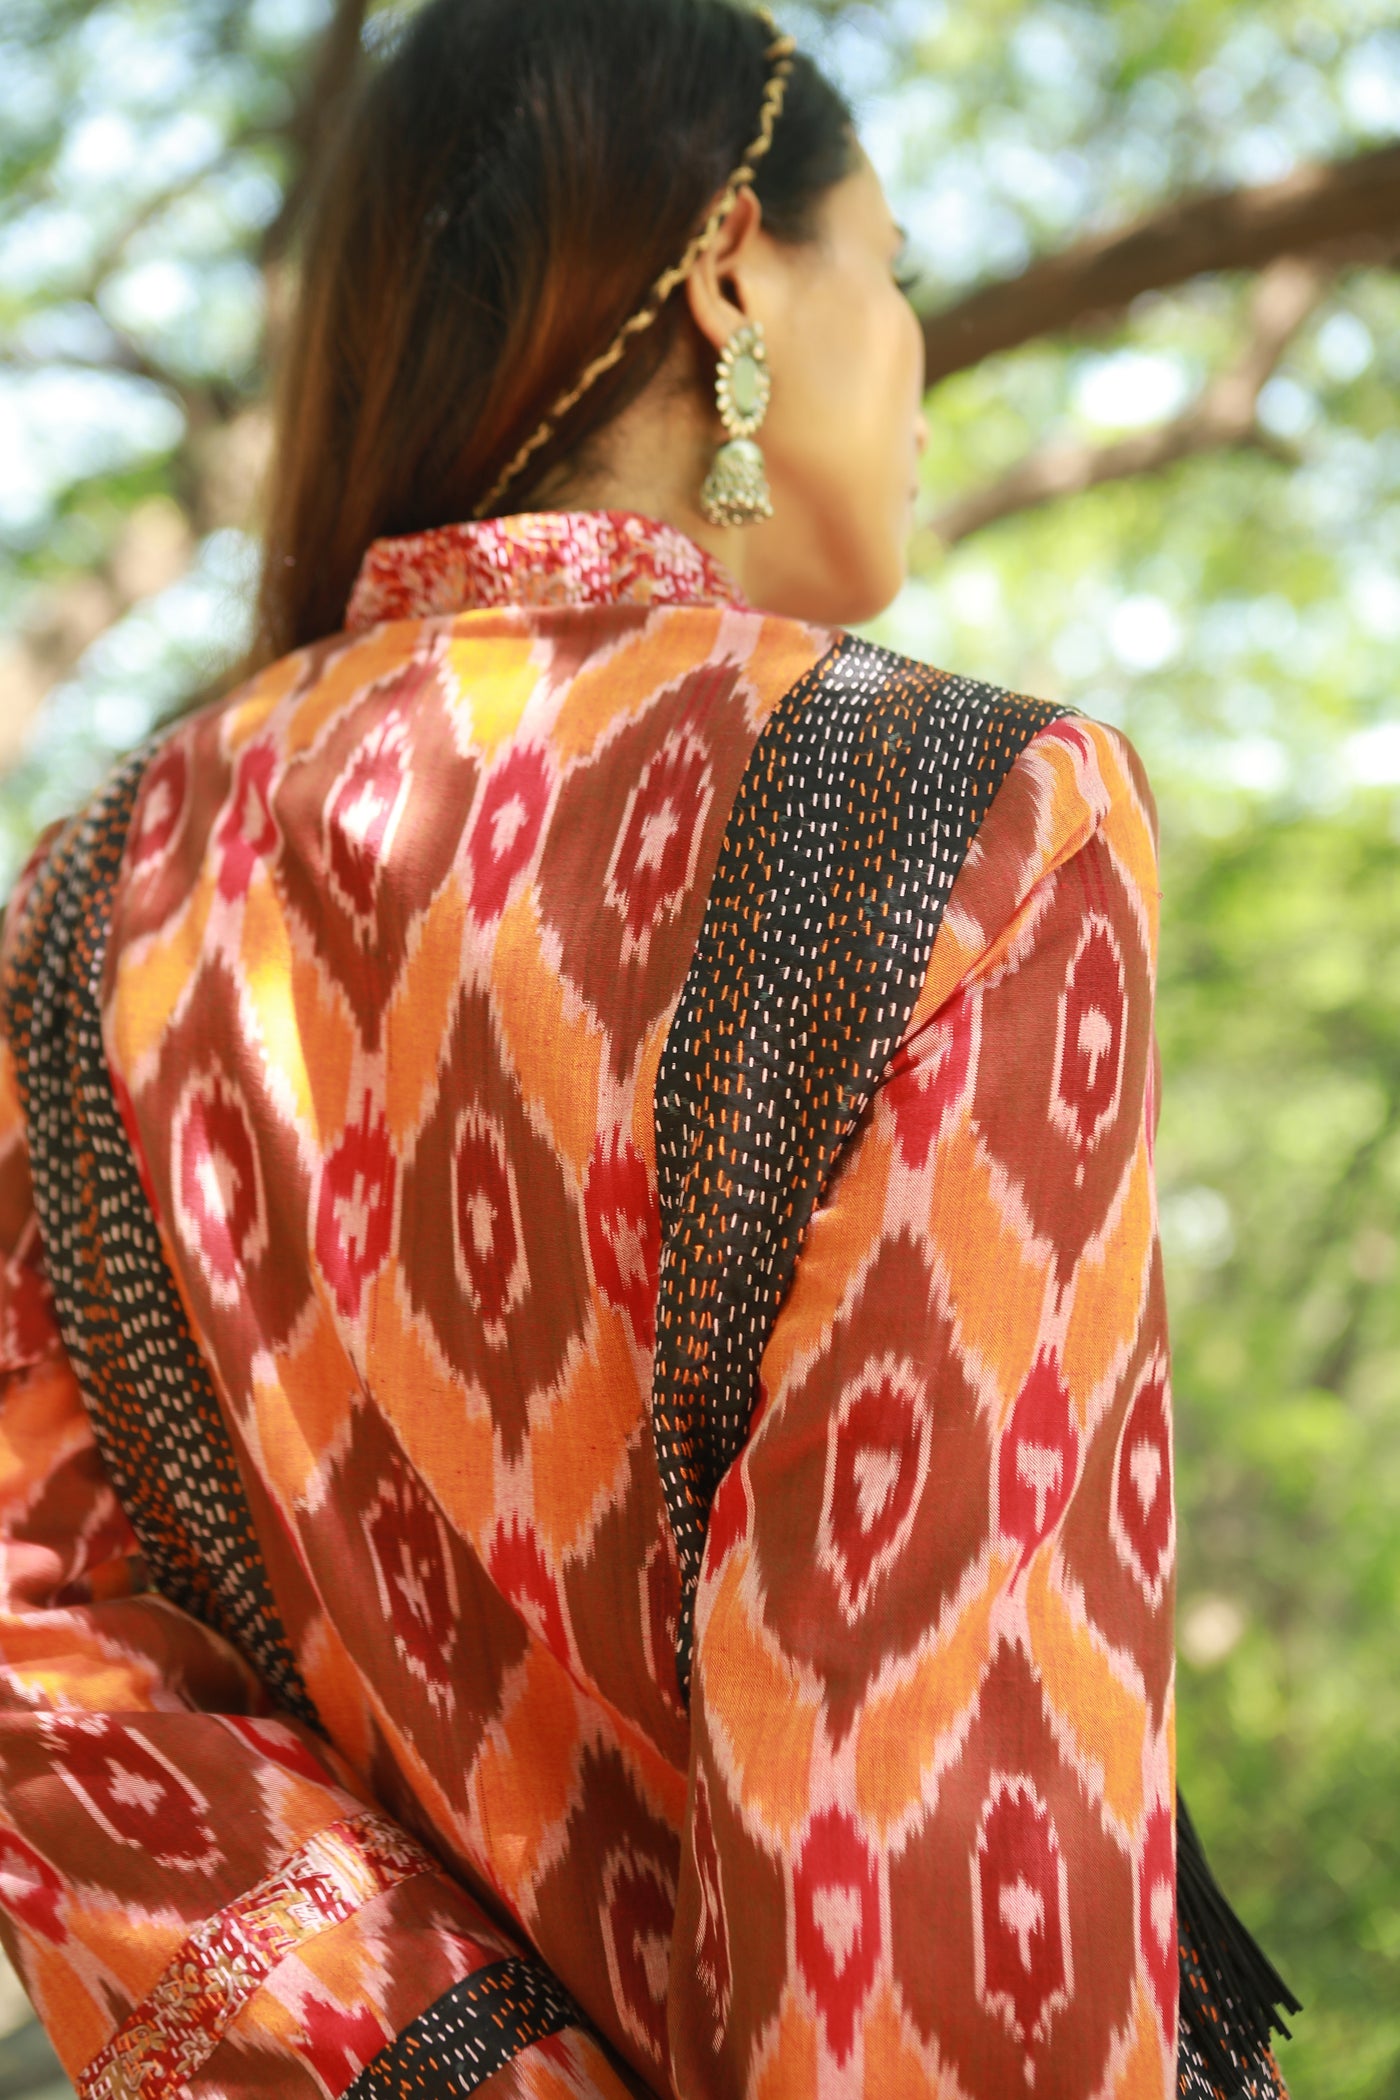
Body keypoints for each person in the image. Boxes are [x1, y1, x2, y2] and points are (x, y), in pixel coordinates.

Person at [0, 2, 1295, 2096]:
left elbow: (42, 1647)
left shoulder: (82, 909)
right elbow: (939, 1832)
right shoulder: (963, 814)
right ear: (730, 273)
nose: (923, 371)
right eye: (892, 271)